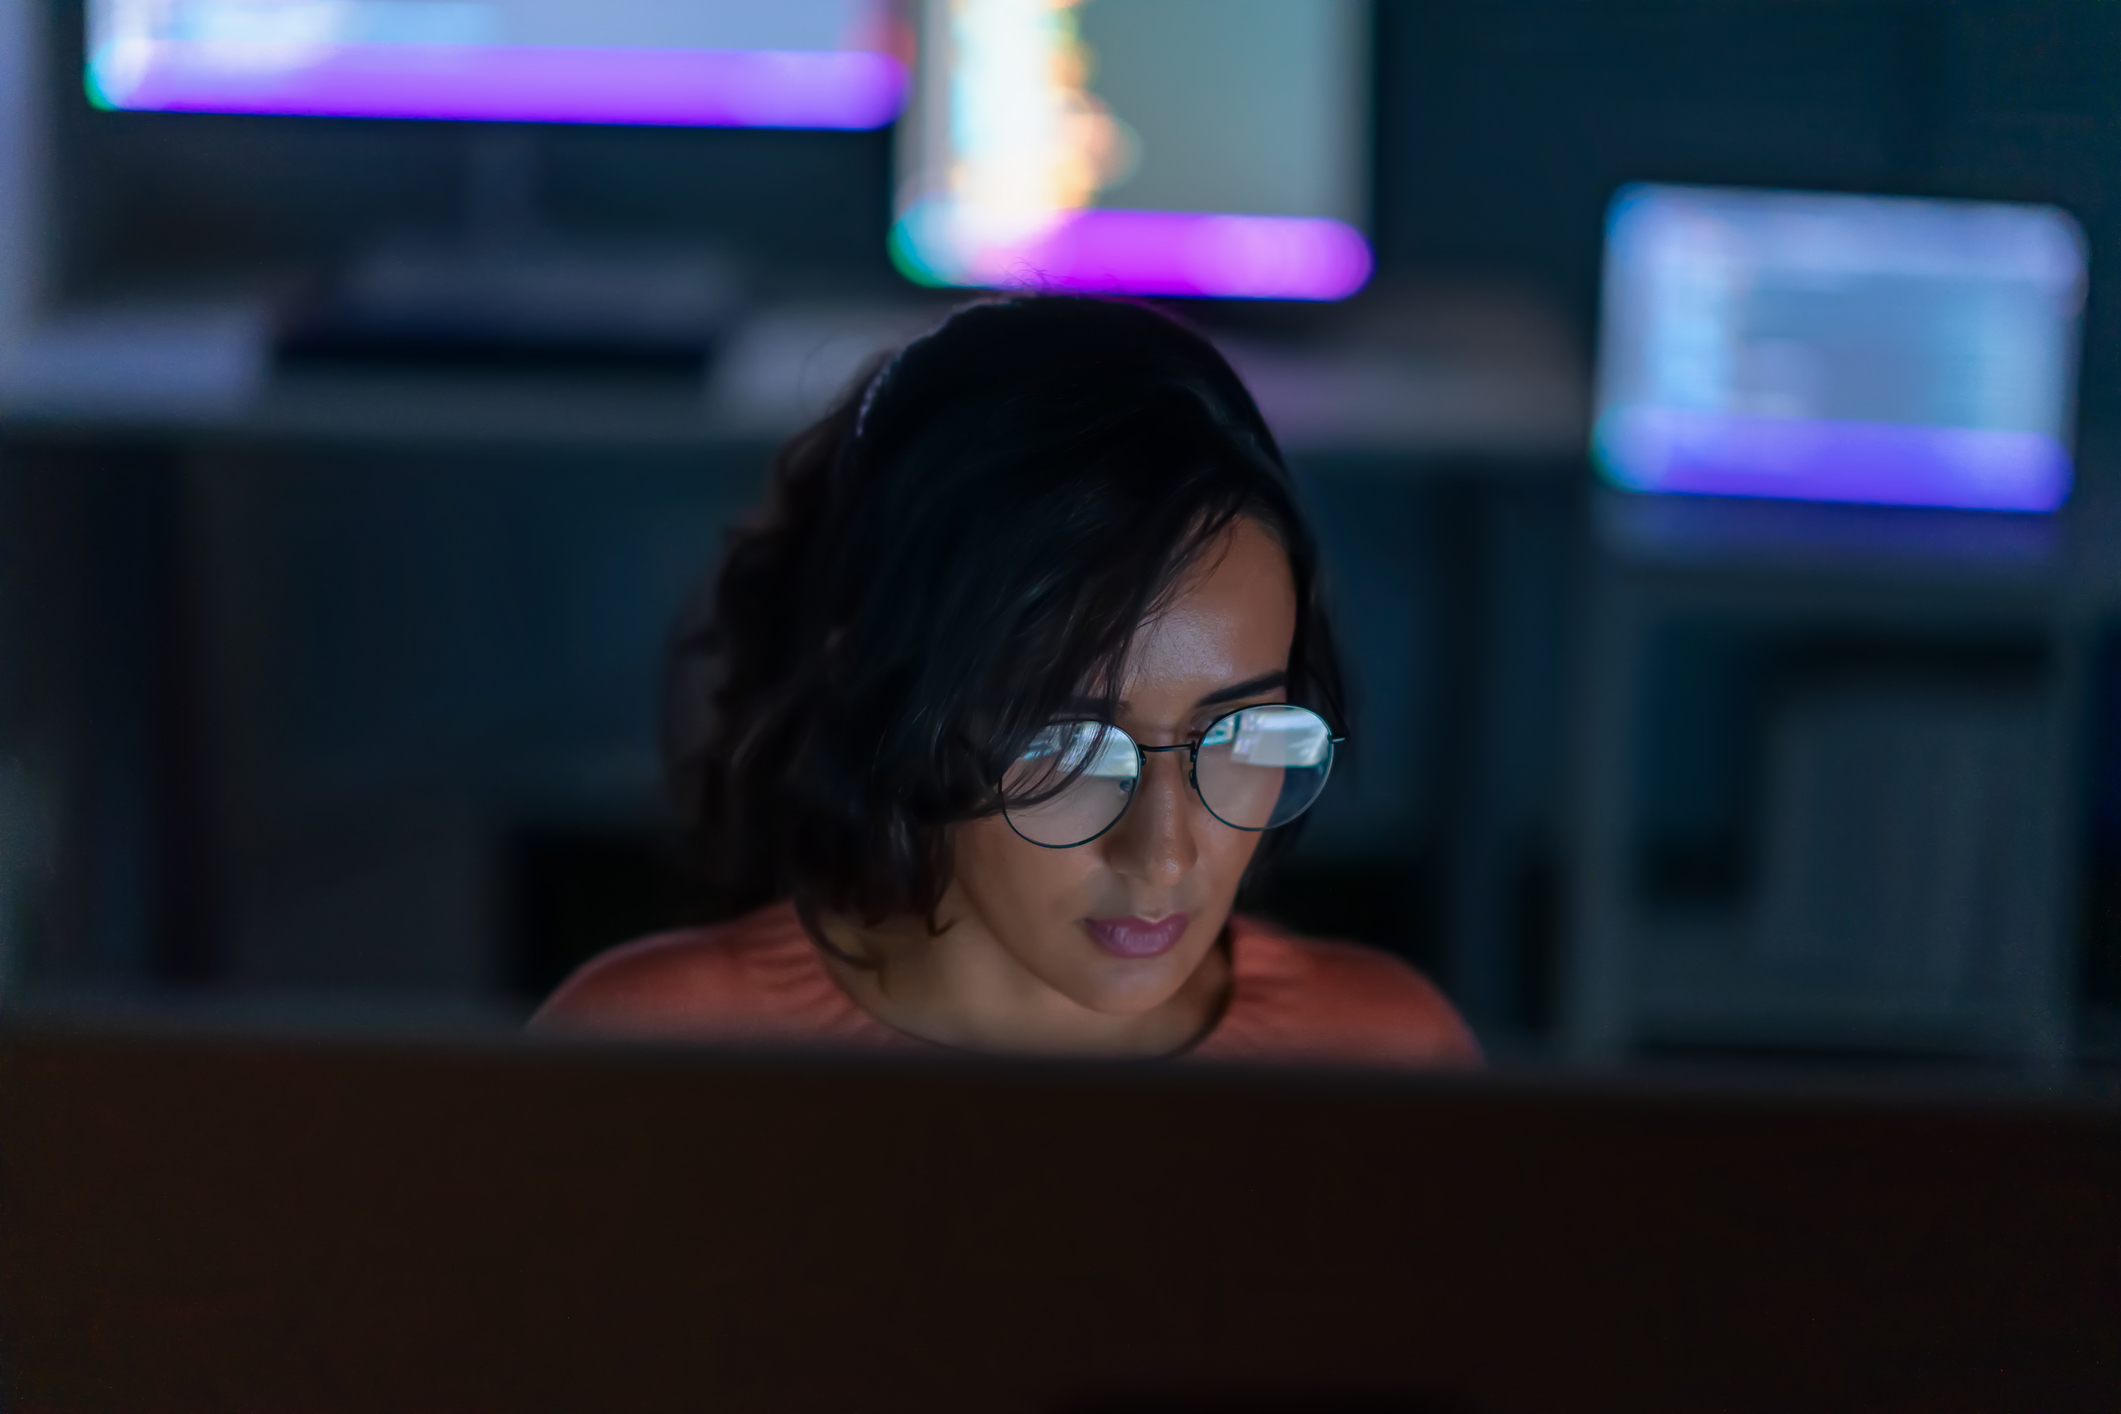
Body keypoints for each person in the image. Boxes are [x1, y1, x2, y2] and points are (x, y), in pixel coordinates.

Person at [533, 295, 1478, 1066]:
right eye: (1064, 746)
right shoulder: (653, 1058)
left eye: (1235, 736)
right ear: (883, 693)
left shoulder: (1382, 1062)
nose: (1161, 858)